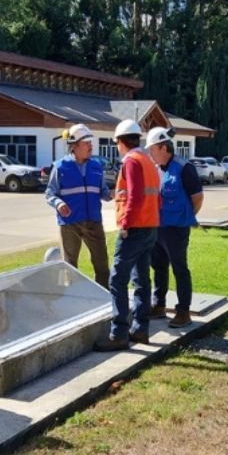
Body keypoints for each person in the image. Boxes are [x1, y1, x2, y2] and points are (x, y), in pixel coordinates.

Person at [94, 119, 161, 351]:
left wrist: (125, 223)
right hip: (150, 227)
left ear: (120, 142)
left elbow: (134, 196)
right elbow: (155, 197)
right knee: (141, 279)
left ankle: (118, 333)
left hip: (134, 229)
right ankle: (140, 329)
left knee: (117, 279)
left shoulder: (131, 161)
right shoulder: (148, 161)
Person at [144, 127, 204, 328]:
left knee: (179, 268)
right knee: (158, 266)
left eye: (152, 149)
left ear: (163, 147)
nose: (150, 154)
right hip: (158, 228)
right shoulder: (156, 169)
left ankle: (183, 312)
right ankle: (159, 305)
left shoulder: (184, 168)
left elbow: (197, 198)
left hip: (176, 229)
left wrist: (186, 217)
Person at [45, 123, 112, 285]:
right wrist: (59, 204)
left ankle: (103, 296)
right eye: (86, 143)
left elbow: (103, 192)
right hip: (69, 224)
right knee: (70, 265)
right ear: (74, 146)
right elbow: (50, 193)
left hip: (93, 222)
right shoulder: (60, 167)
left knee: (102, 264)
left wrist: (112, 194)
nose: (90, 146)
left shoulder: (96, 166)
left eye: (90, 142)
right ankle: (73, 297)